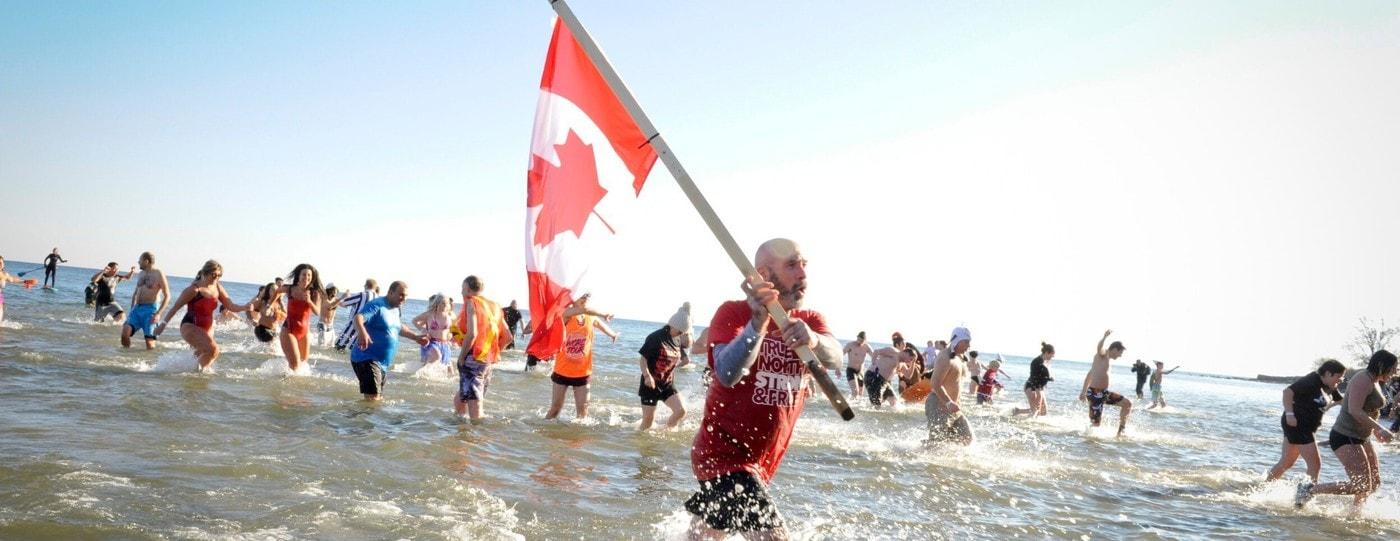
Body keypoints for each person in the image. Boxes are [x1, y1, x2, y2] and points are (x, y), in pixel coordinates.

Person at [686, 239, 841, 538]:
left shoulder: (809, 321)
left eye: (804, 265)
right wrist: (758, 324)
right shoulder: (733, 314)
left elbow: (835, 357)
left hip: (761, 461)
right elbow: (728, 373)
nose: (803, 274)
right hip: (723, 454)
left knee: (703, 536)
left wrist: (815, 341)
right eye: (792, 265)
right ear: (764, 275)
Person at [1298, 350, 1398, 511]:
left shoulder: (1375, 381)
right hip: (1345, 436)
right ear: (1381, 365)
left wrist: (1375, 432)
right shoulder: (1363, 379)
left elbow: (1369, 410)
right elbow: (1354, 410)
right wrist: (1380, 428)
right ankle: (1308, 489)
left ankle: (1355, 515)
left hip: (1362, 437)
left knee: (1373, 484)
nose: (1394, 373)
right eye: (1393, 368)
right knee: (1361, 485)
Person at [154, 260, 251, 371]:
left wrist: (245, 307)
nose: (216, 278)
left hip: (208, 328)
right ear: (205, 273)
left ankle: (187, 376)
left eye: (219, 275)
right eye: (213, 275)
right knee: (214, 350)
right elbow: (175, 308)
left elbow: (230, 306)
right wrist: (162, 325)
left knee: (201, 354)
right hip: (190, 326)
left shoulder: (217, 287)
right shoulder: (194, 290)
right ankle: (196, 375)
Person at [1267, 359, 1346, 483]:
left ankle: (1264, 488)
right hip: (1299, 425)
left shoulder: (1330, 386)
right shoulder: (1312, 380)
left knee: (1287, 461)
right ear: (1328, 373)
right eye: (1339, 376)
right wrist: (1289, 414)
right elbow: (1287, 392)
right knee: (1315, 465)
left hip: (1303, 427)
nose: (1341, 380)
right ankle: (1303, 498)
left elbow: (1343, 402)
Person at [544, 293, 619, 420]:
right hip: (562, 371)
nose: (585, 299)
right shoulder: (566, 313)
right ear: (573, 298)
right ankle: (542, 432)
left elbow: (600, 325)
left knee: (583, 413)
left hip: (583, 372)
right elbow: (585, 310)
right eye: (582, 296)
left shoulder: (591, 317)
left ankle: (577, 439)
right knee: (555, 409)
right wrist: (604, 314)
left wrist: (612, 334)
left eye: (587, 297)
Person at [349, 281, 427, 400]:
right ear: (390, 292)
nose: (403, 299)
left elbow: (398, 327)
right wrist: (362, 332)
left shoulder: (396, 309)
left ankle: (353, 415)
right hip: (366, 357)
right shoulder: (377, 305)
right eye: (401, 295)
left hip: (382, 363)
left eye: (405, 296)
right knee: (373, 399)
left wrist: (416, 337)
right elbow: (358, 318)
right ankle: (350, 416)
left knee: (377, 400)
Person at [454, 276, 512, 420]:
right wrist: (491, 356)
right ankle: (460, 430)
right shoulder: (495, 307)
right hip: (486, 361)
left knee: (475, 409)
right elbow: (508, 337)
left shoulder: (471, 303)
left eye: (462, 288)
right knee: (460, 398)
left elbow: (472, 334)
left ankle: (475, 439)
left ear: (467, 288)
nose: (461, 292)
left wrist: (461, 357)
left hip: (473, 358)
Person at [638, 302, 693, 430]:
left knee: (681, 411)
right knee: (648, 421)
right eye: (680, 331)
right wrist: (647, 376)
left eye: (683, 332)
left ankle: (664, 432)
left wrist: (675, 367)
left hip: (667, 384)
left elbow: (685, 359)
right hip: (650, 384)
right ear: (673, 325)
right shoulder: (656, 337)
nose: (681, 334)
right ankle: (640, 442)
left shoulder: (678, 339)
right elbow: (643, 359)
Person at [925, 327, 974, 445]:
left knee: (967, 439)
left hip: (954, 409)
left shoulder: (959, 357)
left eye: (969, 342)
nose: (969, 346)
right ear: (956, 341)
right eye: (966, 342)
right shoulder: (945, 357)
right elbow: (935, 383)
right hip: (939, 405)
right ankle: (912, 456)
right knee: (937, 445)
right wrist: (948, 402)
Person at [1079, 330, 1132, 436]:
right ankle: (1086, 438)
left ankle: (1120, 432)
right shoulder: (1102, 355)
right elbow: (1099, 348)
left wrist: (1084, 391)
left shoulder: (1104, 362)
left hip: (1104, 393)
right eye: (1120, 353)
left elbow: (1089, 375)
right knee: (1095, 425)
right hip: (1094, 393)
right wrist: (1104, 337)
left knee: (1127, 404)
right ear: (1115, 349)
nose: (1120, 356)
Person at [279, 264, 323, 371]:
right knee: (295, 366)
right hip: (288, 329)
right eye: (304, 274)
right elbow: (277, 291)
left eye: (309, 275)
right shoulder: (290, 289)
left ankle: (287, 381)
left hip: (304, 332)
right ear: (298, 276)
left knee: (303, 365)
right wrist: (270, 304)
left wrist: (309, 302)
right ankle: (285, 383)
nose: (306, 277)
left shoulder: (314, 293)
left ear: (312, 278)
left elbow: (317, 312)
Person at [121, 252, 170, 349]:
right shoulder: (141, 274)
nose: (138, 262)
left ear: (146, 261)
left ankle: (150, 363)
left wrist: (158, 313)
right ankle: (126, 356)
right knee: (125, 333)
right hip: (137, 309)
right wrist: (132, 309)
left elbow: (167, 295)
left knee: (149, 343)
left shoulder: (158, 273)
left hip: (150, 310)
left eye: (140, 260)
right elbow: (136, 292)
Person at [334, 279, 379, 351]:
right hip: (367, 330)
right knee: (353, 351)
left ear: (366, 286)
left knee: (338, 347)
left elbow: (343, 303)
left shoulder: (362, 295)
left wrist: (343, 296)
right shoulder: (378, 299)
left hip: (353, 326)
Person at [411, 293, 454, 368]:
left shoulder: (450, 315)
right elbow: (414, 320)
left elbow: (456, 327)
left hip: (444, 343)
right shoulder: (430, 314)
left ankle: (431, 378)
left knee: (448, 367)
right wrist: (423, 329)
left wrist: (452, 336)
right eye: (442, 303)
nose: (445, 305)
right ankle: (420, 375)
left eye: (446, 303)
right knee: (437, 357)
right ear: (437, 303)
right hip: (431, 342)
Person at [1013, 342, 1056, 417]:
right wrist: (1038, 394)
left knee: (1043, 411)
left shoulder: (1046, 361)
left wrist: (1049, 378)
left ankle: (1018, 411)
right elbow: (1035, 378)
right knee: (1035, 411)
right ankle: (1026, 424)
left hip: (1039, 387)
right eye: (1051, 356)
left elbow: (1044, 375)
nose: (1051, 358)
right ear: (1046, 352)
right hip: (1031, 387)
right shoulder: (1036, 362)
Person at [865, 332, 906, 409]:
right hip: (875, 377)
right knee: (877, 405)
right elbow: (876, 351)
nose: (905, 346)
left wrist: (913, 362)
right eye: (903, 344)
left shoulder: (901, 358)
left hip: (886, 382)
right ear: (897, 345)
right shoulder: (892, 350)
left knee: (895, 403)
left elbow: (907, 374)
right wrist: (873, 363)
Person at [0, 256, 38, 322]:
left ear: (3, 264)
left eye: (1, 263)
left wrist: (25, 281)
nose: (0, 265)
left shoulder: (5, 275)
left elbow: (13, 280)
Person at [843, 331, 874, 399]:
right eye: (858, 340)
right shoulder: (850, 345)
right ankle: (850, 405)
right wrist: (837, 367)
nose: (859, 342)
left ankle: (855, 407)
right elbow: (841, 355)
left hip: (861, 372)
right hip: (851, 370)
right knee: (855, 391)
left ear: (865, 341)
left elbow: (874, 357)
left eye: (862, 341)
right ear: (857, 337)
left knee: (860, 394)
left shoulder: (867, 347)